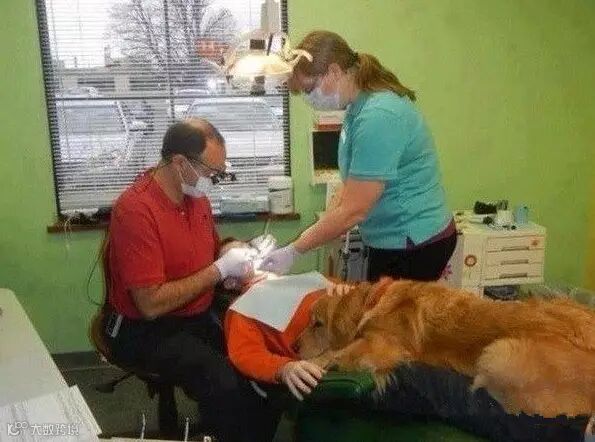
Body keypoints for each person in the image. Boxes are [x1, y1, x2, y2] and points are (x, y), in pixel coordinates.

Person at [224, 280, 593, 442]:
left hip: (539, 352)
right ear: (232, 282)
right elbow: (244, 355)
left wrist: (349, 294)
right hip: (345, 362)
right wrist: (283, 367)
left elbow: (374, 308)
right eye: (240, 252)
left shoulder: (311, 283)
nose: (254, 259)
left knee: (472, 382)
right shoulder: (242, 310)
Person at [103, 119, 279, 442]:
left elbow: (210, 253)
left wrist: (234, 253)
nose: (214, 180)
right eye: (212, 172)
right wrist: (219, 271)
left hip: (196, 314)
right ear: (180, 163)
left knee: (263, 362)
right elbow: (150, 304)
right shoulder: (135, 210)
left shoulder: (197, 199)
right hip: (145, 328)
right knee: (224, 383)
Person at [261, 31, 456, 282]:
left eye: (309, 89)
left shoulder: (379, 115)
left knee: (389, 309)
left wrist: (295, 250)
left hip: (413, 241)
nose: (309, 99)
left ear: (334, 71)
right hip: (390, 237)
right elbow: (350, 184)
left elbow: (354, 210)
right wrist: (325, 224)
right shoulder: (357, 108)